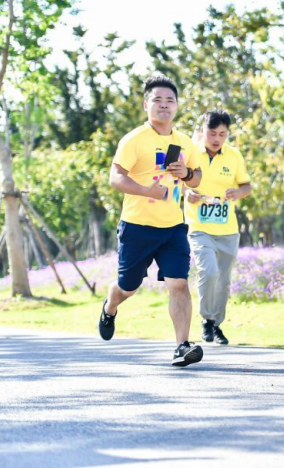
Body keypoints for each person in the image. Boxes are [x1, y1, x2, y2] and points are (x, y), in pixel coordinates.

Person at [99, 74, 205, 367]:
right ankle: (110, 306)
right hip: (137, 227)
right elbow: (116, 177)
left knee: (179, 284)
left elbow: (197, 176)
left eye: (170, 100)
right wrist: (147, 191)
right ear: (146, 105)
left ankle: (182, 346)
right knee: (128, 287)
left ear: (177, 106)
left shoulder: (184, 141)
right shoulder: (134, 139)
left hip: (173, 228)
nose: (164, 105)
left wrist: (186, 174)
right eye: (157, 100)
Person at [184, 110, 252, 345]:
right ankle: (206, 318)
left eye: (222, 134)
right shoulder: (191, 153)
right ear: (203, 130)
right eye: (212, 133)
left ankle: (216, 324)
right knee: (208, 271)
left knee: (223, 280)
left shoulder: (234, 156)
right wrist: (187, 193)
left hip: (227, 230)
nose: (217, 139)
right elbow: (176, 182)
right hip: (199, 226)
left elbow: (246, 186)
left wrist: (238, 193)